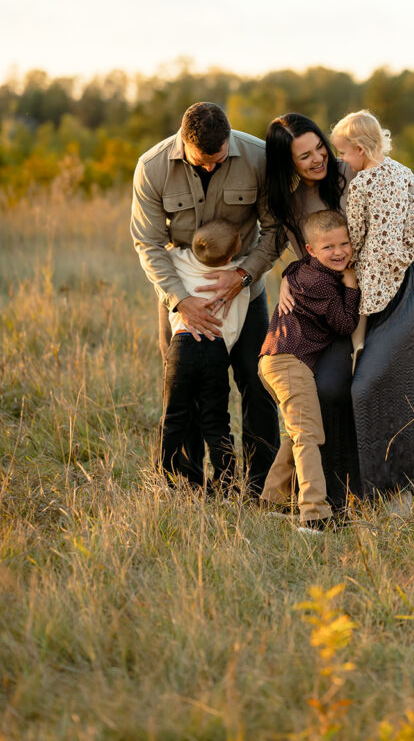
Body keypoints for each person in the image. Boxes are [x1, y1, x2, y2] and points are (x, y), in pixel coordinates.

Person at [265, 112, 414, 505]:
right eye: (303, 155)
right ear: (287, 163)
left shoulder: (358, 165)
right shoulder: (294, 205)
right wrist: (288, 277)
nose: (317, 159)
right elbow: (307, 257)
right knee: (328, 387)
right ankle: (339, 490)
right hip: (343, 305)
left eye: (319, 147)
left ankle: (399, 489)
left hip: (396, 287)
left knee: (380, 381)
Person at [131, 101, 281, 496]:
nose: (212, 166)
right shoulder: (152, 167)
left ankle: (260, 485)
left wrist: (244, 275)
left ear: (229, 138)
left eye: (219, 158)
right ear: (184, 142)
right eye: (203, 160)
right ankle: (188, 485)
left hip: (246, 290)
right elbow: (147, 242)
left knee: (258, 382)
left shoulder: (260, 159)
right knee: (184, 388)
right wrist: (180, 301)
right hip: (182, 294)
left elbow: (275, 228)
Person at [259, 209, 360, 532]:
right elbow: (345, 323)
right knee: (309, 435)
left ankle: (274, 499)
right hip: (289, 362)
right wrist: (352, 283)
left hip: (277, 360)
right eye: (329, 247)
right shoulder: (320, 283)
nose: (339, 252)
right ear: (312, 250)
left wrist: (287, 278)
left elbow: (290, 267)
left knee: (296, 431)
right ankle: (314, 514)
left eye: (345, 243)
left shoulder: (302, 270)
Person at [330, 108, 414, 367]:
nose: (342, 159)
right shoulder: (400, 170)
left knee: (360, 297)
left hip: (376, 254)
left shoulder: (360, 184)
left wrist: (354, 255)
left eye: (343, 153)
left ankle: (357, 344)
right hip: (403, 244)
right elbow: (412, 205)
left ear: (360, 149)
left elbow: (358, 228)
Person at [161, 219, 250, 490]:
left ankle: (164, 473)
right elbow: (234, 326)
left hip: (181, 348)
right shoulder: (235, 279)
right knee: (216, 419)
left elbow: (166, 250)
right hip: (215, 350)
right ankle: (226, 481)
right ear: (233, 254)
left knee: (174, 416)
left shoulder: (178, 260)